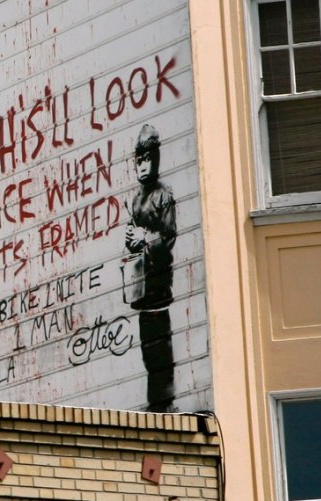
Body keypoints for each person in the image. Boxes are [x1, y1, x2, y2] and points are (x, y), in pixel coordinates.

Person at [124, 124, 178, 413]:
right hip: (140, 281)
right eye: (139, 159)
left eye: (148, 158)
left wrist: (146, 238)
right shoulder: (136, 198)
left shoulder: (163, 195)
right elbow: (132, 234)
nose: (143, 165)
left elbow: (168, 236)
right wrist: (132, 240)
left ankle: (164, 398)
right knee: (147, 344)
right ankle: (154, 399)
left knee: (160, 342)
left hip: (158, 281)